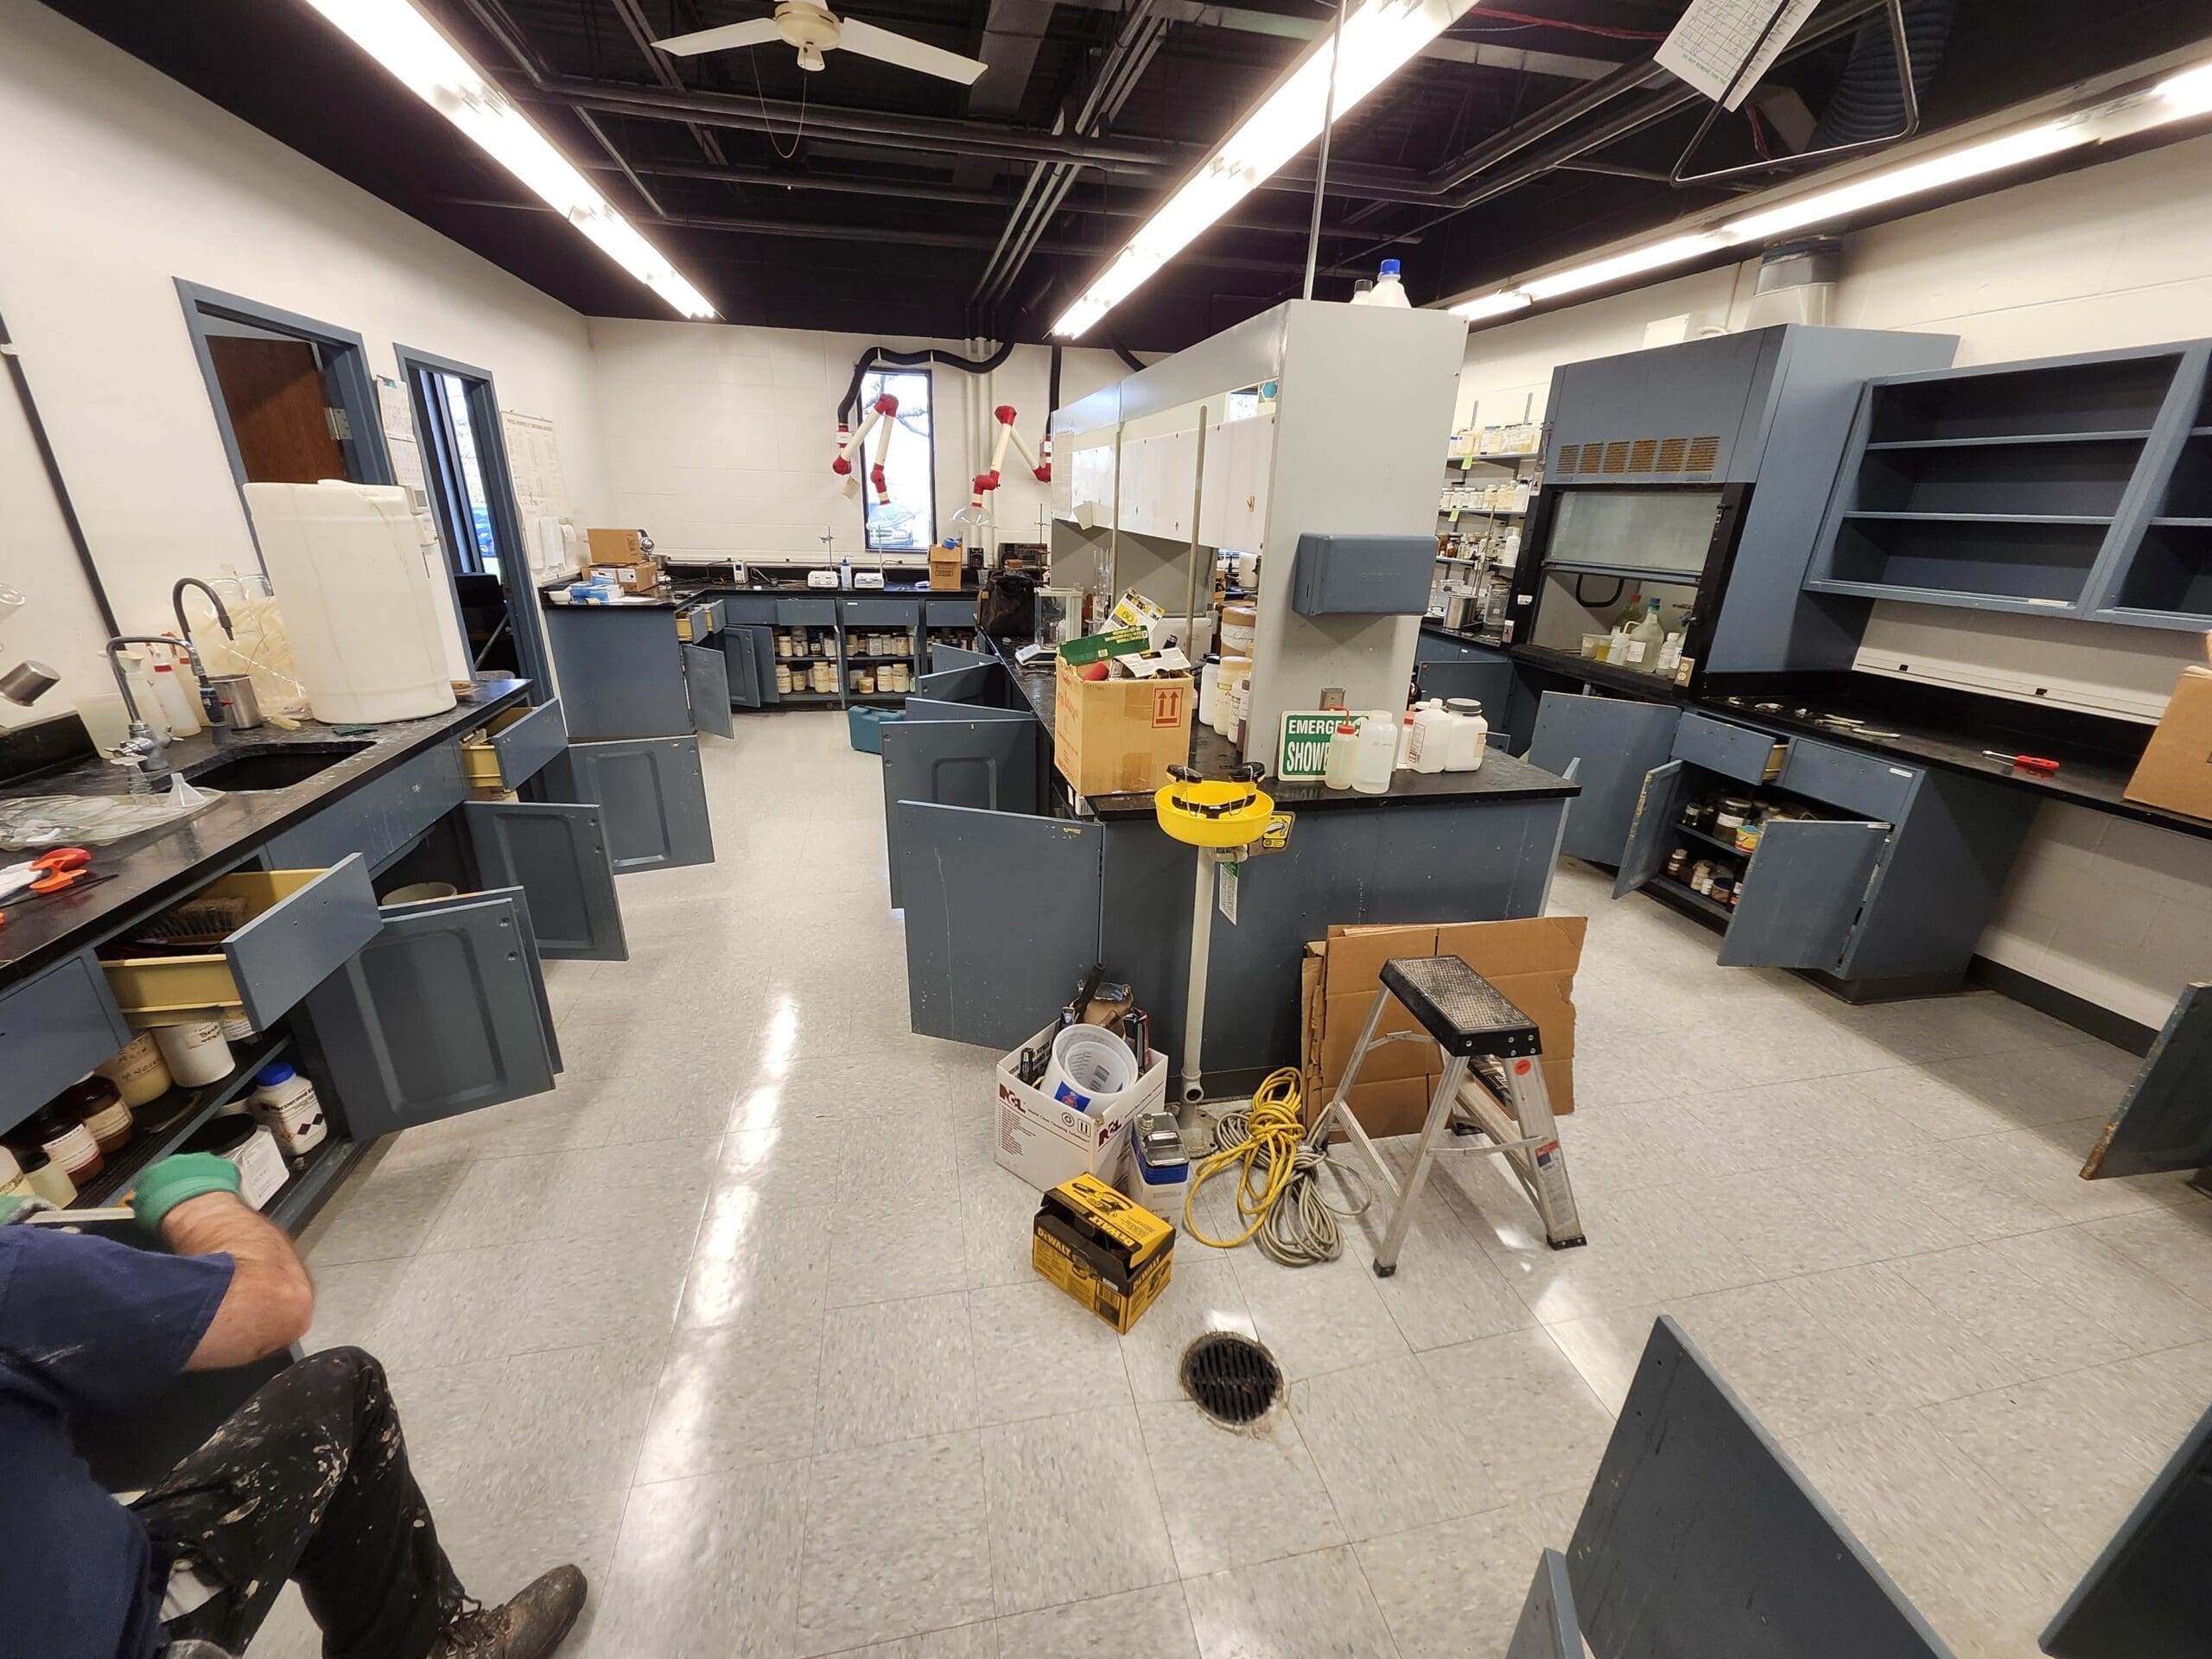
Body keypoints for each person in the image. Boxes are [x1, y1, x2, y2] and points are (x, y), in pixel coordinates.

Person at [0, 1150, 588, 1659]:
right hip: (132, 1629)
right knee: (342, 1384)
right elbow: (274, 1302)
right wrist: (196, 1200)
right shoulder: (12, 1270)